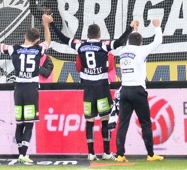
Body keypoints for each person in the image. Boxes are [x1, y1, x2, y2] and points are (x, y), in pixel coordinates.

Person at [51, 21, 133, 161]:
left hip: (88, 89)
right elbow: (120, 42)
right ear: (99, 35)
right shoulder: (103, 45)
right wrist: (130, 28)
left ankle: (91, 153)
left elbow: (63, 39)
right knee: (105, 119)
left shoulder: (80, 45)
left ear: (87, 35)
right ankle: (107, 152)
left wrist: (52, 24)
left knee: (90, 120)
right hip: (102, 88)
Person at [0, 14, 54, 165]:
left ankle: (20, 153)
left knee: (20, 122)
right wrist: (46, 24)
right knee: (30, 121)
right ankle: (23, 154)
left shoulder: (15, 49)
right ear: (36, 41)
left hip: (18, 88)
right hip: (31, 88)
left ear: (25, 36)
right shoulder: (38, 49)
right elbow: (48, 41)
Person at [113, 18, 165, 163]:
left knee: (123, 123)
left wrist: (135, 30)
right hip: (137, 90)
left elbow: (132, 43)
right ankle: (150, 154)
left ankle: (120, 155)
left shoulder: (123, 51)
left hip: (125, 91)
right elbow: (158, 41)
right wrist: (157, 27)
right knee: (145, 123)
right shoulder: (141, 50)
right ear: (141, 43)